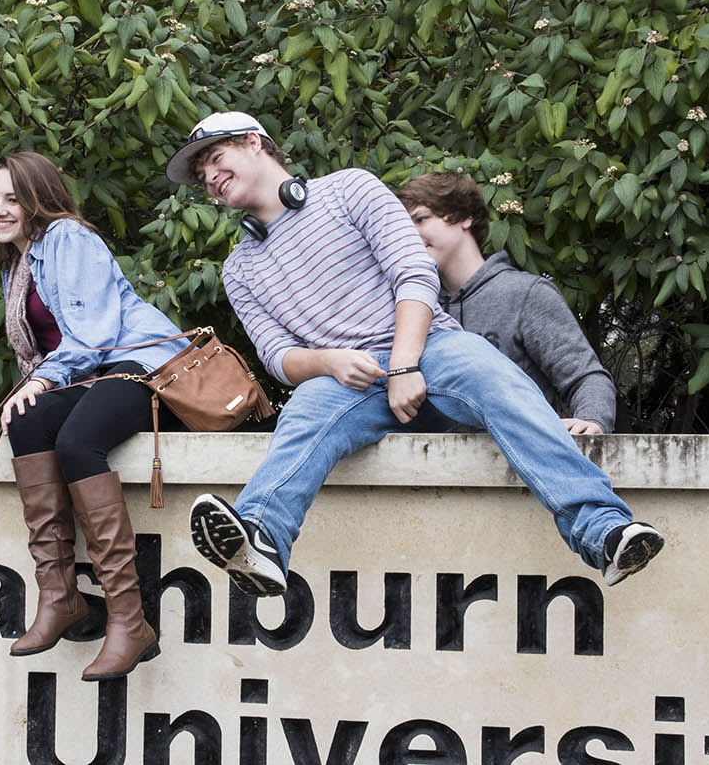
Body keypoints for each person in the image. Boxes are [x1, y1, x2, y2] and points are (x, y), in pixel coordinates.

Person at [164, 111, 664, 597]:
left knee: (496, 378)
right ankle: (262, 541)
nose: (207, 176)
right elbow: (277, 356)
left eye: (214, 156)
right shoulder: (239, 268)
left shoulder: (350, 189)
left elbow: (414, 274)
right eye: (199, 173)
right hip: (348, 380)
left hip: (430, 345)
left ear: (254, 142)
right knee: (304, 413)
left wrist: (404, 363)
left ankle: (603, 533)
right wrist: (328, 362)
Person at [0, 151, 190, 680]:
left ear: (39, 198)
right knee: (28, 422)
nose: (1, 209)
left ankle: (129, 620)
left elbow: (93, 334)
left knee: (77, 439)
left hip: (142, 364)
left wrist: (39, 381)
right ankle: (59, 594)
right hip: (89, 374)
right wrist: (36, 388)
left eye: (14, 198)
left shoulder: (67, 239)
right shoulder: (18, 263)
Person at [397, 171, 618, 434]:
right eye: (404, 228)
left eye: (421, 219)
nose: (410, 235)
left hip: (515, 468)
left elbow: (585, 377)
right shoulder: (408, 307)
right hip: (427, 471)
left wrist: (592, 422)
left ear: (465, 217)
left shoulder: (526, 294)